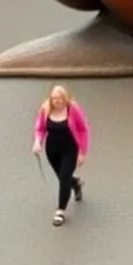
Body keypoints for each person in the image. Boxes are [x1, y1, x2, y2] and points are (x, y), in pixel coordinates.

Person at [32, 85, 90, 228]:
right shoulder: (46, 109)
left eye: (59, 99)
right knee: (63, 177)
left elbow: (83, 130)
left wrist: (83, 152)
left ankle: (60, 211)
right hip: (52, 150)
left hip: (69, 150)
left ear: (65, 98)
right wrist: (37, 142)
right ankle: (76, 184)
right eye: (54, 99)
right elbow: (40, 128)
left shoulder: (73, 109)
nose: (56, 101)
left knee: (63, 179)